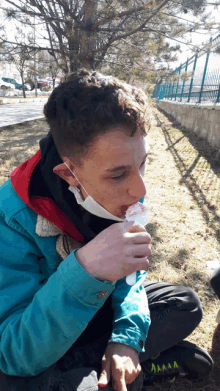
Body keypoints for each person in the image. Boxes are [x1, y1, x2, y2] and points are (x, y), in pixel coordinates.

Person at [0, 69, 213, 391]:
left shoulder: (124, 191)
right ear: (68, 173)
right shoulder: (12, 216)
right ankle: (132, 372)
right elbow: (15, 352)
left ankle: (113, 367)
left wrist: (126, 338)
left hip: (91, 312)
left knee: (183, 302)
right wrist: (86, 269)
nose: (138, 189)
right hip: (36, 325)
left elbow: (131, 276)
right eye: (118, 175)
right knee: (12, 377)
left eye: (143, 164)